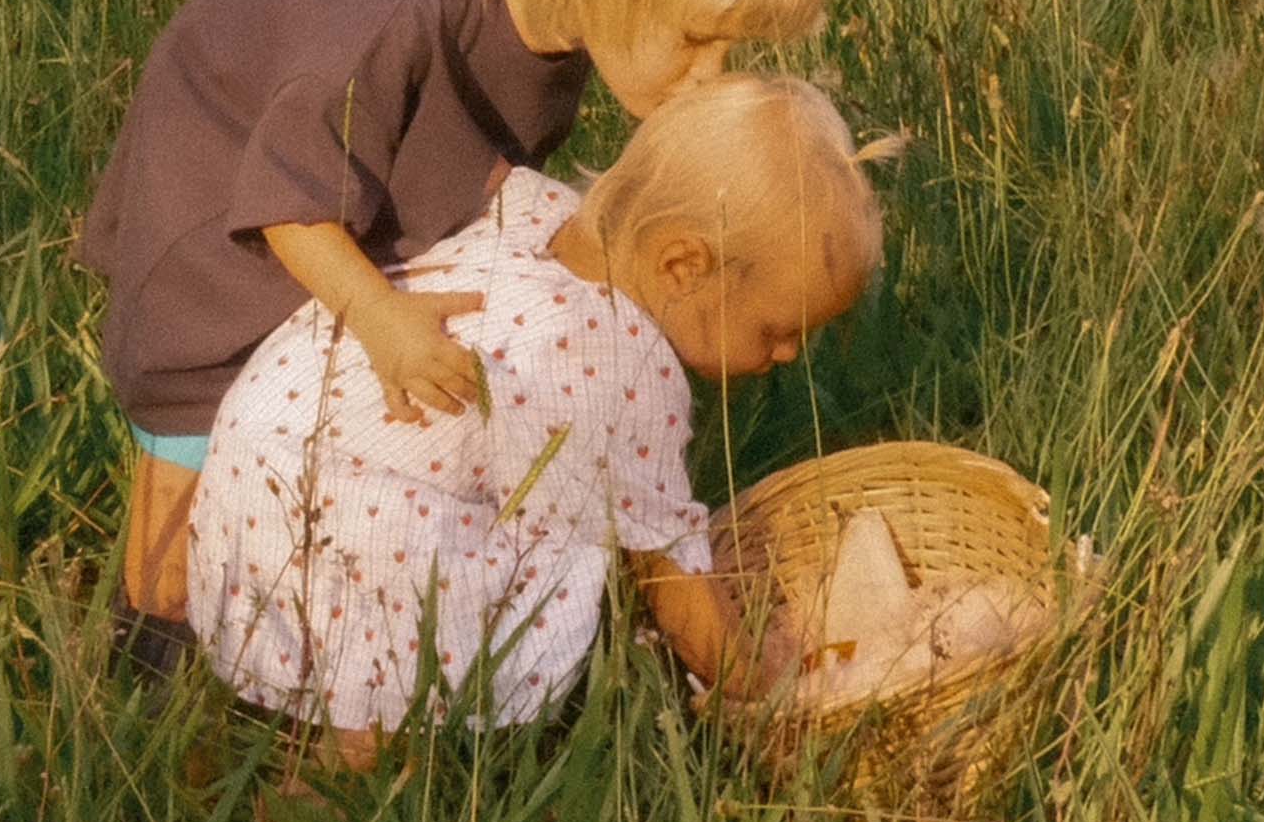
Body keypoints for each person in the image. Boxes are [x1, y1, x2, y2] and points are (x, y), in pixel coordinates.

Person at [80, 0, 827, 678]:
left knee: (313, 443)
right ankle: (146, 669)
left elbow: (480, 180)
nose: (713, 77)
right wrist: (384, 320)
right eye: (697, 39)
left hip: (353, 200)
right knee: (197, 454)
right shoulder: (403, 22)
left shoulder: (559, 42)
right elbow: (287, 203)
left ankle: (308, 633)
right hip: (224, 215)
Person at [185, 76, 883, 753]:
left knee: (543, 506)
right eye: (777, 330)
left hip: (257, 461)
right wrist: (769, 681)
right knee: (404, 688)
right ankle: (326, 804)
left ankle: (264, 726)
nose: (791, 354)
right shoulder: (619, 362)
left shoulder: (539, 213)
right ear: (681, 266)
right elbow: (674, 583)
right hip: (346, 522)